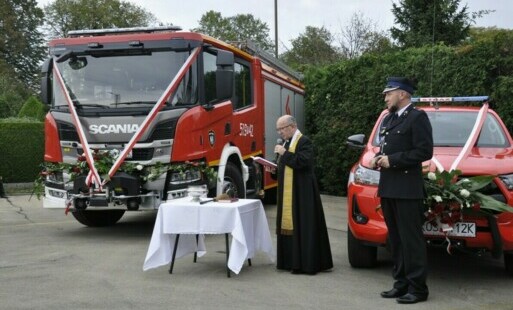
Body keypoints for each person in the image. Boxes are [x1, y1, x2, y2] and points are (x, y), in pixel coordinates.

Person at [370, 77, 433, 304]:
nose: (385, 97)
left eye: (389, 93)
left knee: (411, 241)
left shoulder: (417, 117)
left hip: (407, 189)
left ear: (403, 94)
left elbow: (424, 151)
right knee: (396, 240)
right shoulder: (389, 119)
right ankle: (401, 284)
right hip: (389, 188)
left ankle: (418, 289)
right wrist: (378, 159)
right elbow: (387, 148)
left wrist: (392, 160)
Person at [272, 115, 333, 275]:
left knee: (303, 225)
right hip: (289, 192)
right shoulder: (285, 143)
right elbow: (283, 166)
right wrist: (272, 168)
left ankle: (305, 263)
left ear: (292, 126)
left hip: (302, 193)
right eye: (278, 130)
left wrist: (284, 154)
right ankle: (289, 262)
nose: (280, 133)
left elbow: (303, 162)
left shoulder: (304, 141)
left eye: (282, 129)